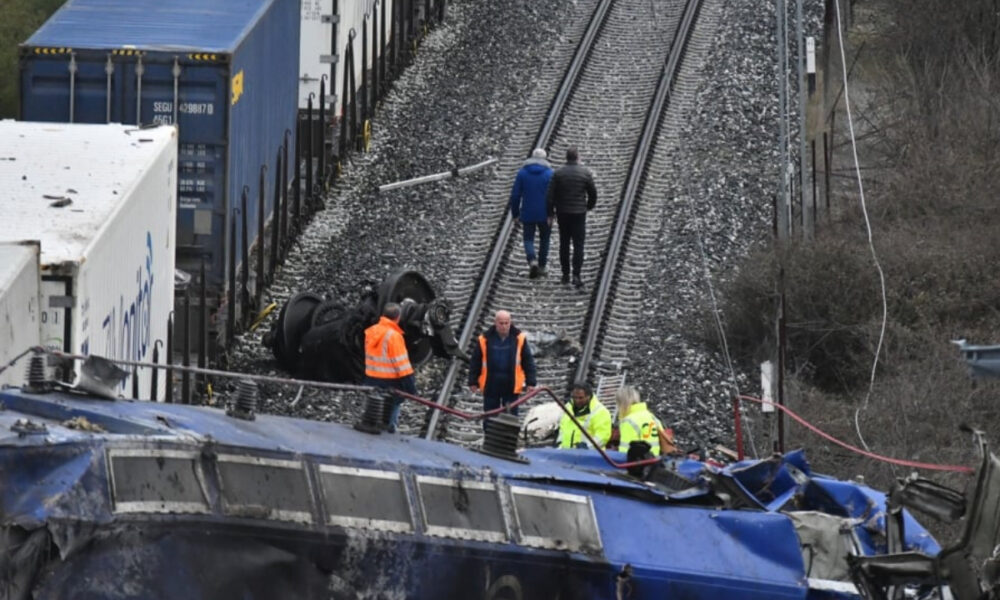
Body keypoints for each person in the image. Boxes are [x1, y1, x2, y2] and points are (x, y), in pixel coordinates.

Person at [468, 310, 537, 430]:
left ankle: (508, 442)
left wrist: (531, 382)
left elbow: (528, 361)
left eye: (506, 323)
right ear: (495, 323)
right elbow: (476, 361)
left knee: (510, 418)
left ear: (510, 322)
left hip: (511, 385)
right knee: (489, 417)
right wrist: (473, 381)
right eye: (501, 323)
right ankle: (490, 441)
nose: (504, 326)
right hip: (491, 385)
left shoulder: (519, 339)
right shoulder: (484, 339)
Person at [546, 147, 597, 289]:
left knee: (564, 243)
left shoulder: (558, 173)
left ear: (566, 158)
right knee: (579, 244)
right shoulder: (585, 173)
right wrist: (588, 206)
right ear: (577, 157)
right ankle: (577, 274)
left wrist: (550, 213)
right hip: (579, 213)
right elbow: (593, 192)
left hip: (563, 212)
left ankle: (565, 274)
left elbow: (550, 196)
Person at [363, 303, 416, 433]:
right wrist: (411, 388)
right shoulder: (394, 336)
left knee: (373, 410)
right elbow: (402, 365)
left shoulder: (371, 331)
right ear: (398, 318)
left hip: (371, 379)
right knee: (388, 418)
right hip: (390, 383)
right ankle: (389, 432)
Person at [509, 148, 554, 279]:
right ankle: (541, 267)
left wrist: (515, 213)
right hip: (545, 213)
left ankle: (532, 260)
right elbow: (554, 196)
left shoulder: (522, 173)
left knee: (528, 239)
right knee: (544, 239)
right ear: (545, 159)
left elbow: (515, 195)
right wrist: (552, 213)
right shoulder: (550, 173)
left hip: (527, 212)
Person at [614, 385, 666, 456]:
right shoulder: (651, 416)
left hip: (639, 462)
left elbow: (625, 450)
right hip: (655, 460)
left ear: (621, 403)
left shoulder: (628, 421)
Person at [557, 382, 612, 449]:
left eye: (580, 398)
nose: (577, 400)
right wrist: (559, 443)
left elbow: (603, 435)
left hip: (589, 456)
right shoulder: (568, 408)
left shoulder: (600, 412)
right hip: (567, 454)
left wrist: (587, 446)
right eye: (574, 397)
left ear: (588, 396)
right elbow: (562, 427)